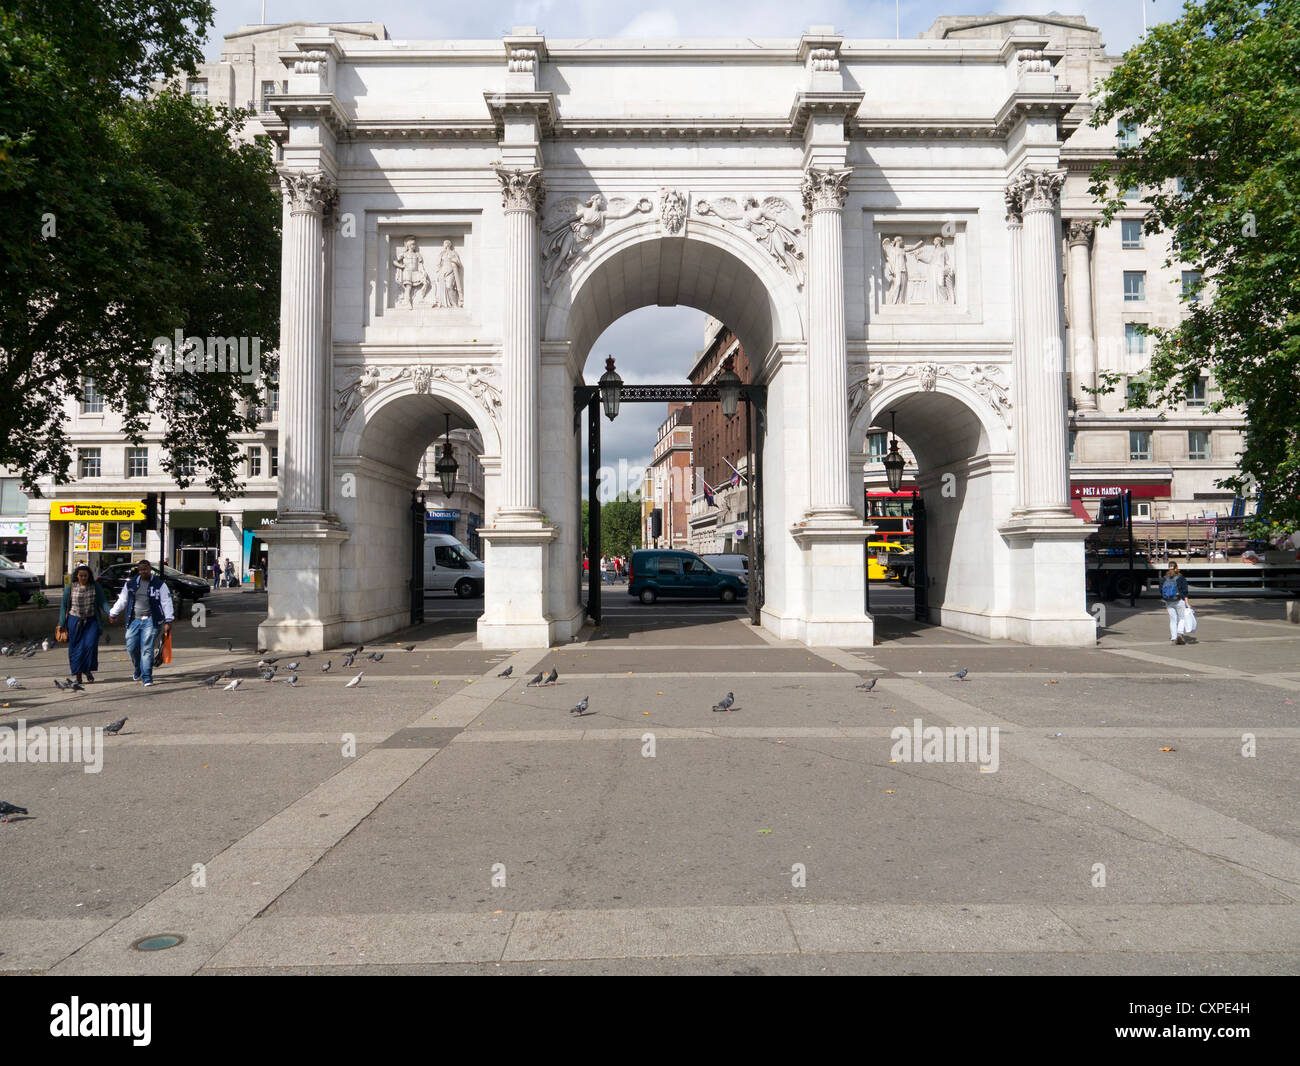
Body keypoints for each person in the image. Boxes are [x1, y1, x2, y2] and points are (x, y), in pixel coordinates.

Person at [108, 559, 174, 687]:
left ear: (150, 569)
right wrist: (113, 613)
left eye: (146, 569)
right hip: (134, 620)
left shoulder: (159, 584)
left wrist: (168, 620)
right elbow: (122, 600)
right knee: (131, 647)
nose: (143, 572)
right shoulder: (131, 584)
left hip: (152, 619)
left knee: (147, 648)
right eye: (141, 570)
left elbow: (166, 602)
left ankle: (147, 677)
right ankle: (138, 668)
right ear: (138, 571)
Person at [57, 564, 109, 685]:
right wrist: (61, 623)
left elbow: (103, 602)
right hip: (74, 621)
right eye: (81, 576)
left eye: (86, 576)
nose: (83, 578)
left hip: (92, 621)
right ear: (77, 576)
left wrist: (110, 613)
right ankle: (78, 675)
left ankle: (88, 670)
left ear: (89, 576)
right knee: (76, 649)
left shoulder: (95, 586)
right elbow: (64, 606)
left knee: (90, 646)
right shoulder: (70, 588)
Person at [1160, 562, 1191, 645]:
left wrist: (1165, 598)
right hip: (1179, 600)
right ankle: (1180, 634)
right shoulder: (1180, 577)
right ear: (1176, 567)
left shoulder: (1164, 578)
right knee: (1182, 618)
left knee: (1173, 620)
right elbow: (1185, 591)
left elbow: (1160, 590)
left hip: (1168, 601)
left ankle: (1173, 637)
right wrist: (1187, 603)